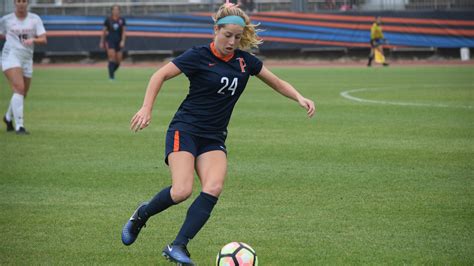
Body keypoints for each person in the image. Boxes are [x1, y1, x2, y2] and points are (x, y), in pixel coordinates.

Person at [121, 2, 315, 265]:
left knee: (213, 187)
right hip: (185, 130)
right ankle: (141, 216)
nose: (232, 42)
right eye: (227, 36)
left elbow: (277, 82)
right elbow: (160, 75)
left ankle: (178, 246)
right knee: (181, 191)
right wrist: (146, 107)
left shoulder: (245, 62)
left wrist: (299, 97)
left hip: (213, 137)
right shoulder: (198, 55)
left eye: (237, 37)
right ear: (216, 30)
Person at [1, 0, 47, 134]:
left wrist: (33, 40)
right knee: (19, 88)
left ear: (27, 3)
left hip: (27, 58)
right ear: (15, 3)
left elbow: (43, 39)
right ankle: (19, 126)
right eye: (18, 1)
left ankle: (8, 117)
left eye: (24, 1)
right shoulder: (6, 20)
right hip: (10, 56)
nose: (21, 3)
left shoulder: (34, 19)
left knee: (22, 92)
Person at [100, 4, 126, 80]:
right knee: (112, 58)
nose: (116, 11)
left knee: (118, 61)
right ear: (112, 11)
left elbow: (124, 32)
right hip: (110, 41)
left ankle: (111, 71)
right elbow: (104, 31)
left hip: (118, 41)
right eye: (114, 10)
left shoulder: (122, 20)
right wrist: (102, 41)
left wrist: (123, 41)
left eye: (117, 10)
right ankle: (111, 77)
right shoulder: (108, 20)